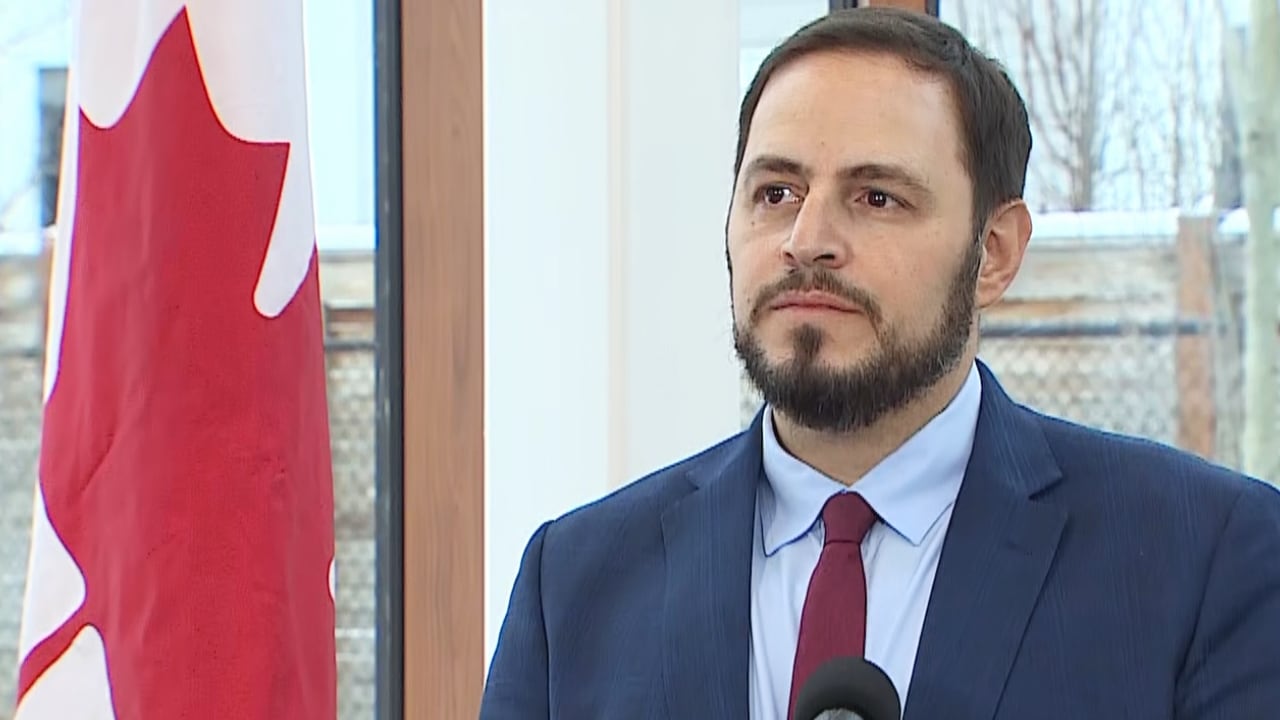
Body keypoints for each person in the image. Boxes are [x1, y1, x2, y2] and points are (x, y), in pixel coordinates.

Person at [479, 8, 1280, 719]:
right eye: (776, 193)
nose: (807, 239)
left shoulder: (1202, 558)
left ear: (995, 253)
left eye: (877, 198)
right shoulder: (575, 584)